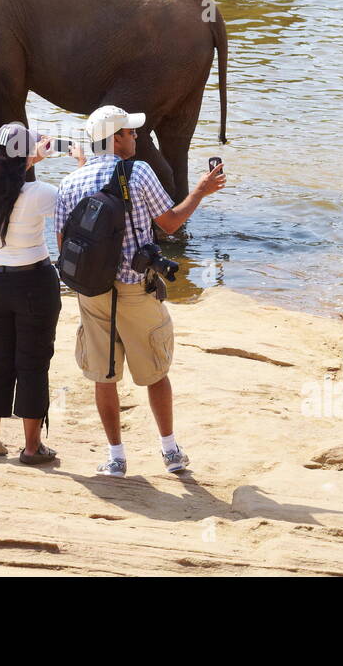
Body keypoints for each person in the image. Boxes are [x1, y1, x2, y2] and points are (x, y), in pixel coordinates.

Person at [54, 106, 225, 478]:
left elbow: (63, 243)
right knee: (155, 372)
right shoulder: (139, 171)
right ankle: (170, 451)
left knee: (104, 375)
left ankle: (116, 457)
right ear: (115, 138)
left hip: (93, 292)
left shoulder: (69, 183)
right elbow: (170, 223)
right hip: (136, 288)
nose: (136, 137)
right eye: (130, 133)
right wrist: (200, 190)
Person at [0, 122, 85, 465]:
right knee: (33, 363)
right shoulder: (42, 195)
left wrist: (30, 158)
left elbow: (9, 173)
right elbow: (78, 204)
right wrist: (80, 163)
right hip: (33, 282)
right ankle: (32, 448)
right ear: (24, 157)